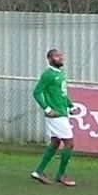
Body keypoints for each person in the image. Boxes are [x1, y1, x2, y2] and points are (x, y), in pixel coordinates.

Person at [31, 48, 78, 187]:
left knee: (55, 142)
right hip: (56, 115)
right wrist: (47, 109)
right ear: (50, 59)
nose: (61, 58)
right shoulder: (48, 74)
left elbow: (62, 94)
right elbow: (37, 92)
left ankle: (39, 171)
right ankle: (61, 175)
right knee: (69, 143)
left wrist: (71, 106)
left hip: (62, 112)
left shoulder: (60, 74)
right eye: (57, 56)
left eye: (61, 56)